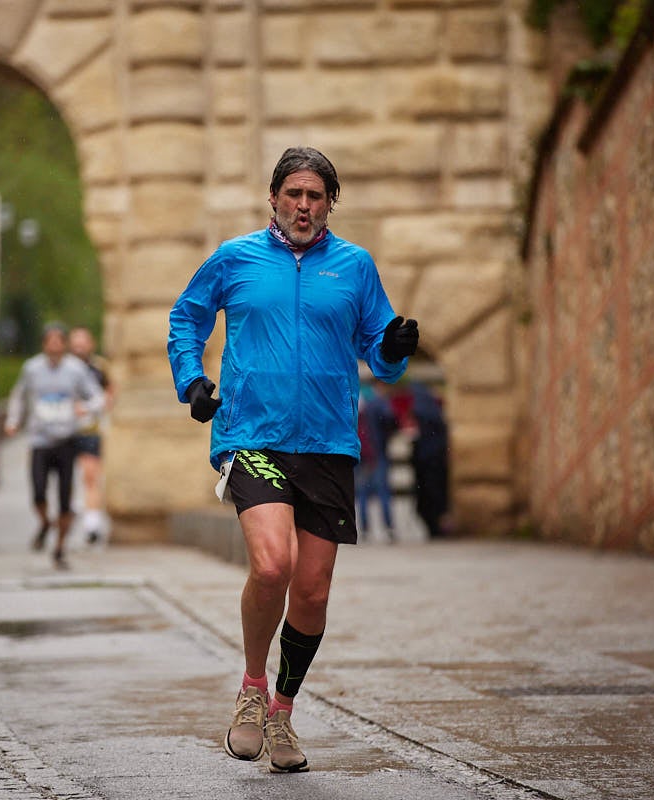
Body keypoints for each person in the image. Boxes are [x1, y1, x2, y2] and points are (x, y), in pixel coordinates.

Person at [168, 146, 419, 773]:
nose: (304, 206)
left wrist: (395, 348)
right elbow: (186, 318)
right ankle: (252, 688)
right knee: (274, 564)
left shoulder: (355, 267)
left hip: (329, 441)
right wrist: (191, 380)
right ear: (274, 197)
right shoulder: (235, 258)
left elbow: (380, 352)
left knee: (313, 589)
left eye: (316, 196)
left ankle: (283, 713)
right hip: (252, 433)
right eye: (294, 194)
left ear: (329, 203)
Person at [5, 322, 105, 569]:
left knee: (64, 498)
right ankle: (45, 523)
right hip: (39, 440)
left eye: (58, 340)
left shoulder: (76, 370)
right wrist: (13, 420)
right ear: (43, 344)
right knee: (38, 492)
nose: (54, 345)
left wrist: (86, 408)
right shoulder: (32, 368)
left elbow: (97, 397)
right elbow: (18, 395)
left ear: (64, 344)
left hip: (66, 440)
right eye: (49, 341)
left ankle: (60, 549)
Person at [68, 326, 113, 545]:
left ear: (90, 344)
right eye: (75, 342)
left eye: (82, 342)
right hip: (63, 430)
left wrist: (94, 409)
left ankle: (92, 523)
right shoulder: (63, 368)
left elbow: (110, 393)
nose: (79, 347)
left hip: (89, 429)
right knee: (67, 477)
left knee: (90, 475)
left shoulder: (99, 367)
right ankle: (73, 511)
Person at [355, 380, 398, 541]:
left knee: (363, 493)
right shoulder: (379, 403)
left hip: (361, 453)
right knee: (383, 492)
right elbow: (391, 421)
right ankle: (389, 527)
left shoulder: (359, 401)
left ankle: (365, 529)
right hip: (377, 453)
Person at [409, 382, 449, 539]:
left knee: (428, 498)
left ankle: (434, 527)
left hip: (426, 465)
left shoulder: (422, 413)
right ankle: (435, 527)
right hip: (434, 464)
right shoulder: (433, 414)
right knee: (434, 497)